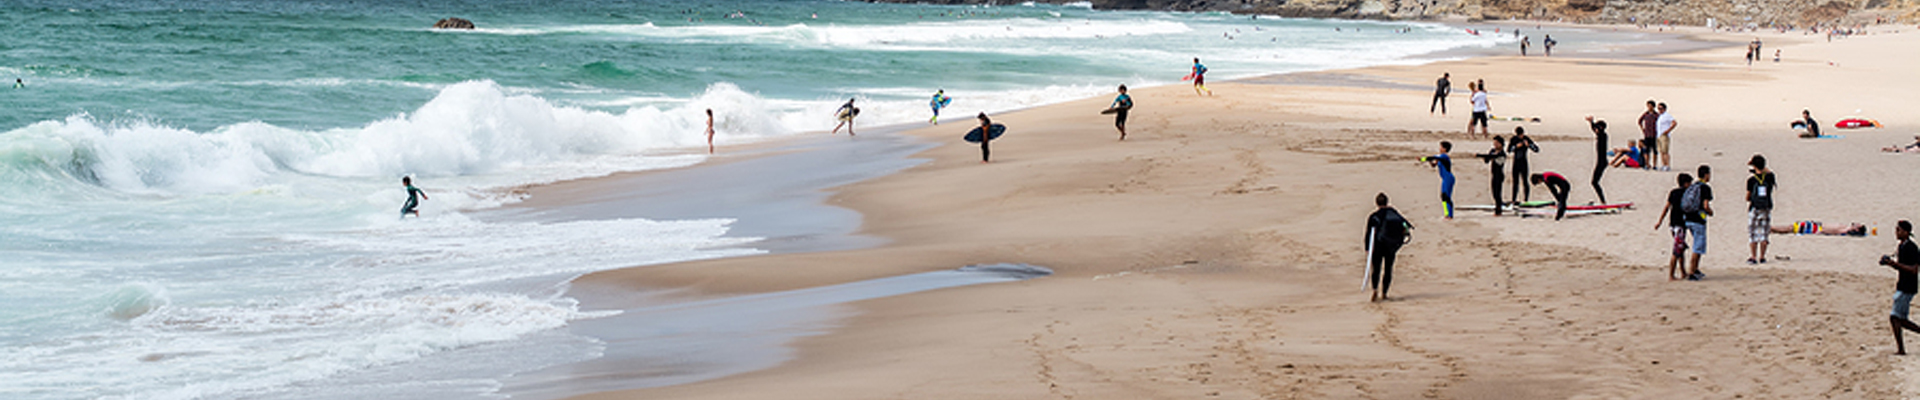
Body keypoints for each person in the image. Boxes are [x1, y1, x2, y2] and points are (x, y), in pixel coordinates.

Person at [1880, 221, 1920, 355]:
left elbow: (1914, 269)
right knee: (1900, 319)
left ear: (1906, 232)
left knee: (1895, 318)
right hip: (1903, 285)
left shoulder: (1911, 248)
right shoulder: (1902, 246)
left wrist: (1893, 264)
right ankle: (1901, 349)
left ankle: (1901, 349)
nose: (1896, 233)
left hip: (1907, 287)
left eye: (1899, 230)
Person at [1365, 193, 1413, 302]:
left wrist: (1367, 248)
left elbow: (1369, 233)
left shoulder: (1374, 216)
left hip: (1377, 246)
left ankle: (1375, 289)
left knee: (1376, 269)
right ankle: (1385, 293)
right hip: (1391, 246)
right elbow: (1406, 227)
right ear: (1387, 202)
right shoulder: (1395, 214)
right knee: (1388, 269)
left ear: (1376, 203)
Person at [1655, 174, 1695, 281]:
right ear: (1686, 183)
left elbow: (1667, 207)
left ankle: (1683, 272)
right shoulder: (1687, 194)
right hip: (1680, 225)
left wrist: (1660, 221)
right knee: (1677, 250)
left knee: (1681, 249)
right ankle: (1671, 275)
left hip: (1672, 224)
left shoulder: (1673, 192)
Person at [1681, 165, 1714, 280]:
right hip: (1698, 219)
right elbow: (1705, 205)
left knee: (1697, 244)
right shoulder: (1705, 188)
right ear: (1706, 175)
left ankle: (1696, 269)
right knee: (1697, 246)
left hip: (1688, 218)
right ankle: (1691, 271)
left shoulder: (1693, 186)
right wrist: (1710, 212)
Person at [1746, 155, 1776, 264]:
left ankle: (1753, 256)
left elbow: (1747, 197)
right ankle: (1762, 257)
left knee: (1753, 232)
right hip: (1766, 207)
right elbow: (1770, 173)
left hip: (1754, 207)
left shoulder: (1751, 180)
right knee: (1764, 232)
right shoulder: (1769, 177)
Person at [1474, 136, 1510, 216]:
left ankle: (1498, 210)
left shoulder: (1502, 153)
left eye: (1497, 143)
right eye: (1494, 143)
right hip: (1493, 174)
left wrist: (1480, 155)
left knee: (1498, 193)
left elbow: (1493, 157)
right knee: (1493, 193)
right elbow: (1487, 160)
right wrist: (1485, 158)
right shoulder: (1493, 151)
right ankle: (1499, 206)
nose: (1495, 145)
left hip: (1499, 175)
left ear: (1501, 144)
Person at [1421, 141, 1456, 220]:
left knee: (1447, 196)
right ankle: (1446, 213)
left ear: (1445, 149)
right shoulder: (1439, 157)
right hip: (1444, 178)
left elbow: (1434, 157)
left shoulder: (1445, 156)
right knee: (1443, 196)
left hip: (1448, 178)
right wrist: (1429, 162)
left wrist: (1422, 159)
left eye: (1441, 147)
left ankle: (1450, 215)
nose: (1440, 148)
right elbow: (1434, 164)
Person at [1508, 126, 1538, 205]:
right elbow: (1509, 150)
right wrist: (1516, 147)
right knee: (1515, 182)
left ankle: (1526, 199)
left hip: (1524, 162)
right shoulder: (1514, 139)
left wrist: (1528, 145)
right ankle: (1513, 199)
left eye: (1521, 135)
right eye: (1519, 135)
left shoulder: (1526, 139)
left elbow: (1536, 149)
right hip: (1516, 162)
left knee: (1525, 181)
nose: (1520, 136)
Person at [1586, 116, 1609, 204]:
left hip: (1602, 162)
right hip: (1600, 162)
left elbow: (1597, 129)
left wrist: (1593, 123)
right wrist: (1591, 122)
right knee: (1594, 182)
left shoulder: (1603, 135)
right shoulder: (1600, 134)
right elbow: (1594, 128)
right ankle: (1603, 201)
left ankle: (1603, 201)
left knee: (1594, 182)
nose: (1595, 130)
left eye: (1597, 128)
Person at [1637, 100, 1660, 170]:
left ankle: (1654, 164)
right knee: (1647, 150)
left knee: (1655, 150)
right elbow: (1639, 121)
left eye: (1650, 106)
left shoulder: (1656, 115)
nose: (1649, 107)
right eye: (1648, 106)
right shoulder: (1645, 114)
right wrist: (1643, 129)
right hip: (1647, 135)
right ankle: (1647, 164)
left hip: (1654, 135)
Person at [1772, 221, 1870, 236]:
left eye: (1858, 225)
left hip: (1815, 228)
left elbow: (1827, 231)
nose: (1857, 223)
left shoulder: (1845, 230)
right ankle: (1771, 229)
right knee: (1790, 228)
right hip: (1816, 225)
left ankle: (1771, 228)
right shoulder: (1845, 227)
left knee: (1790, 228)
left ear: (1856, 229)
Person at [1656, 102, 1677, 171]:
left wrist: (1668, 130)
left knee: (1665, 151)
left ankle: (1667, 165)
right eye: (1658, 108)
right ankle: (1663, 164)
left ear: (1664, 109)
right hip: (1659, 135)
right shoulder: (1660, 116)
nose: (1659, 110)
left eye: (1661, 108)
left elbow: (1674, 123)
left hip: (1664, 135)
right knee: (1661, 151)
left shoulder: (1667, 116)